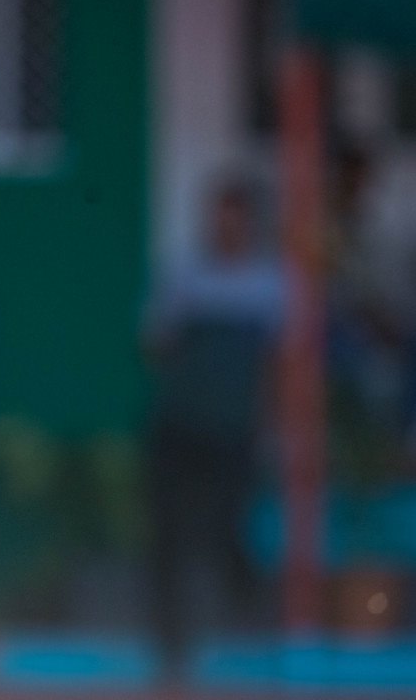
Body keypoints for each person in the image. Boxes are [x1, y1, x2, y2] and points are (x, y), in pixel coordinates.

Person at [143, 177, 285, 679]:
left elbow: (279, 366)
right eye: (218, 215)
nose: (225, 226)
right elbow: (156, 344)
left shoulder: (269, 284)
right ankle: (173, 650)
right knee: (172, 537)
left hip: (235, 433)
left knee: (231, 533)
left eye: (235, 216)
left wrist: (275, 431)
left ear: (250, 223)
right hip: (180, 429)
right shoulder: (185, 275)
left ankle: (253, 634)